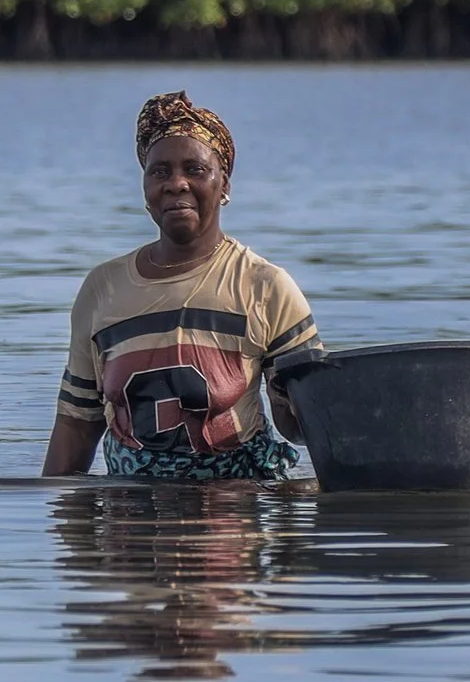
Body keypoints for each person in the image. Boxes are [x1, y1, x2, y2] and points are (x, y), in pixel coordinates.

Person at [41, 91, 321, 480]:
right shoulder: (102, 289)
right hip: (131, 517)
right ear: (145, 189)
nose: (176, 184)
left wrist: (300, 401)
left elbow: (308, 428)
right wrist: (60, 527)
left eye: (195, 169)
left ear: (224, 185)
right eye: (160, 172)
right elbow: (77, 424)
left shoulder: (265, 287)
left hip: (234, 510)